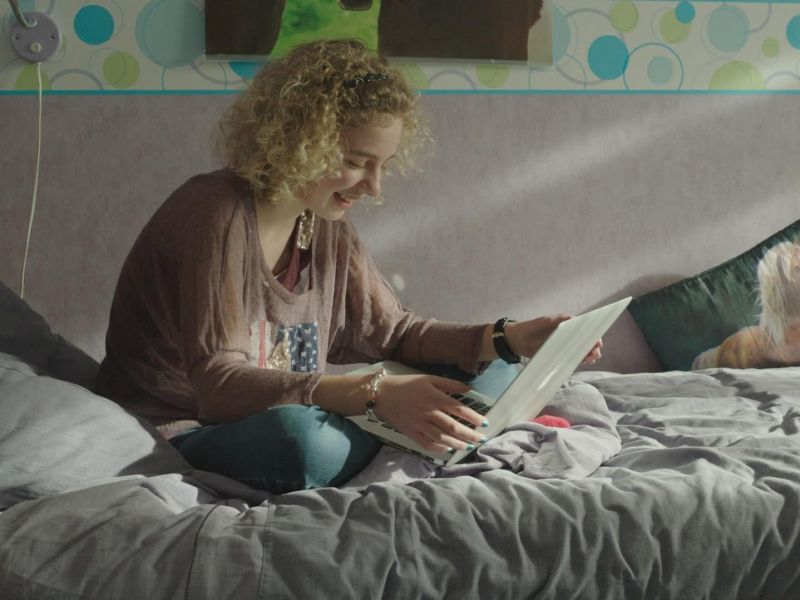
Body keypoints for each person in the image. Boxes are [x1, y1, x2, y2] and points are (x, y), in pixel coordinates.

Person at [97, 39, 601, 494]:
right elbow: (219, 385)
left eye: (383, 165)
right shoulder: (216, 212)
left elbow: (396, 333)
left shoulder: (322, 222)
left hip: (293, 409)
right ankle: (443, 434)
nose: (374, 187)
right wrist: (374, 394)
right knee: (304, 444)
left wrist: (508, 338)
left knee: (498, 367)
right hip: (188, 429)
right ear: (296, 140)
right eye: (357, 162)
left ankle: (435, 430)